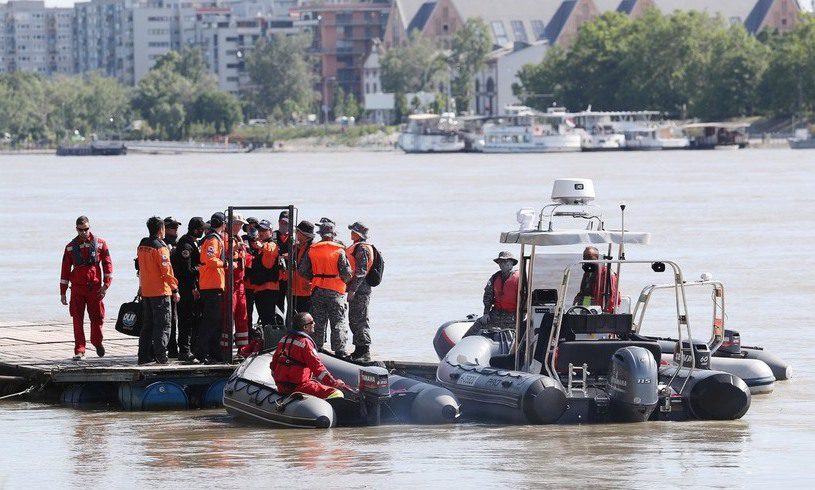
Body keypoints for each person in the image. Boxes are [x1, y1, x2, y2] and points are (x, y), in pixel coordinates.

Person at [60, 216, 113, 360]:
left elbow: (107, 265)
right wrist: (63, 292)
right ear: (76, 229)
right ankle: (80, 350)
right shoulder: (70, 247)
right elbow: (65, 270)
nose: (84, 232)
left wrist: (106, 285)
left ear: (89, 228)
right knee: (77, 319)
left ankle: (97, 342)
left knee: (97, 318)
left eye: (86, 229)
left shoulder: (100, 244)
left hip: (95, 288)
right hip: (77, 289)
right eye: (81, 230)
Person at [298, 221, 352, 356]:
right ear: (333, 234)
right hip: (336, 291)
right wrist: (341, 280)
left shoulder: (313, 249)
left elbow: (302, 270)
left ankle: (317, 350)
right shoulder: (339, 250)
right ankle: (340, 352)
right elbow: (347, 273)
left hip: (317, 290)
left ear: (320, 234)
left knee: (318, 322)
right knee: (338, 322)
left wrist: (315, 278)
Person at [270, 312, 349, 399]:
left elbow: (273, 365)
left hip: (281, 387)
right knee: (337, 394)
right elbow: (318, 368)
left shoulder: (283, 340)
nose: (314, 323)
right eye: (312, 322)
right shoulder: (305, 343)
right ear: (305, 327)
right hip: (299, 387)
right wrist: (334, 383)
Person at [136, 217, 180, 365]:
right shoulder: (161, 247)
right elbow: (166, 271)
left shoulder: (142, 245)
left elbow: (140, 268)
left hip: (147, 291)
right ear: (161, 229)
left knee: (147, 325)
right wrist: (175, 289)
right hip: (160, 292)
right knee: (163, 325)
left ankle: (143, 356)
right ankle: (161, 356)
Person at [171, 216, 205, 363]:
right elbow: (186, 271)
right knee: (186, 320)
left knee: (190, 319)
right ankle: (184, 351)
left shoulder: (192, 242)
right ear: (195, 229)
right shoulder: (186, 245)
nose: (203, 231)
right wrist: (201, 268)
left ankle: (188, 348)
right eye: (201, 229)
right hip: (186, 288)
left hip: (189, 287)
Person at [466, 251, 520, 336]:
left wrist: (521, 316)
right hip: (496, 313)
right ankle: (463, 343)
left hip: (513, 316)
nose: (501, 264)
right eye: (500, 262)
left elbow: (525, 300)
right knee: (479, 324)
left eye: (505, 261)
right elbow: (488, 296)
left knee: (516, 333)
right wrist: (486, 313)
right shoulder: (495, 277)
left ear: (511, 263)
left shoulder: (520, 279)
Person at [197, 212, 227, 363]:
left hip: (212, 284)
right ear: (223, 224)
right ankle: (200, 353)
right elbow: (210, 260)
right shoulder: (214, 240)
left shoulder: (213, 238)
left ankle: (214, 353)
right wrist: (226, 264)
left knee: (215, 321)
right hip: (211, 284)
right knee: (211, 320)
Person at [345, 221, 374, 361]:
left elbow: (361, 271)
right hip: (358, 289)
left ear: (358, 234)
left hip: (360, 290)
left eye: (353, 231)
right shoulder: (359, 246)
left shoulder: (362, 248)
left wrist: (353, 290)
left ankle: (364, 352)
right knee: (354, 320)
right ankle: (358, 351)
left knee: (360, 320)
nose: (351, 233)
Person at [224, 214, 250, 359]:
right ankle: (225, 349)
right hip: (229, 283)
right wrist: (234, 248)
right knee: (228, 316)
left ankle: (243, 349)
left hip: (240, 283)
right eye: (238, 224)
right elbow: (221, 255)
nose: (240, 227)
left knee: (242, 317)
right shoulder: (224, 238)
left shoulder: (239, 238)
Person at [249, 219, 282, 326]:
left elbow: (271, 250)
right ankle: (267, 340)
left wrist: (261, 246)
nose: (261, 232)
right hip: (260, 289)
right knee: (265, 320)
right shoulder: (259, 247)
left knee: (269, 320)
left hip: (269, 289)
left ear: (271, 231)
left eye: (264, 230)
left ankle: (272, 342)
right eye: (259, 230)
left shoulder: (272, 244)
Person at [573, 246, 619, 312]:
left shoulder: (606, 273)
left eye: (589, 257)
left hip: (600, 310)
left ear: (596, 258)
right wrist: (578, 297)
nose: (586, 260)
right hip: (587, 308)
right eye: (584, 257)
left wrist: (606, 312)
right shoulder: (588, 273)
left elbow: (612, 295)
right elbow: (585, 291)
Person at [163, 216, 181, 357]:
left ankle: (177, 348)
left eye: (176, 226)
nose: (175, 229)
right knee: (169, 319)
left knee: (178, 318)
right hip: (166, 286)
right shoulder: (162, 244)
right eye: (172, 226)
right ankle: (171, 348)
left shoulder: (179, 243)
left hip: (179, 285)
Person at [292, 220, 315, 314]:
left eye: (297, 232)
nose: (295, 234)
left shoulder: (313, 248)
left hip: (306, 291)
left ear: (303, 234)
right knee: (293, 320)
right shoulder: (295, 247)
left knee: (305, 319)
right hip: (294, 290)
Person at [273, 211, 293, 316]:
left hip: (291, 277)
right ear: (279, 222)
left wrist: (288, 255)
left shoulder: (294, 238)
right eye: (282, 222)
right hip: (277, 277)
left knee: (292, 305)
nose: (284, 225)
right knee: (278, 304)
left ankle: (291, 328)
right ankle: (279, 328)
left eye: (287, 223)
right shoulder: (273, 235)